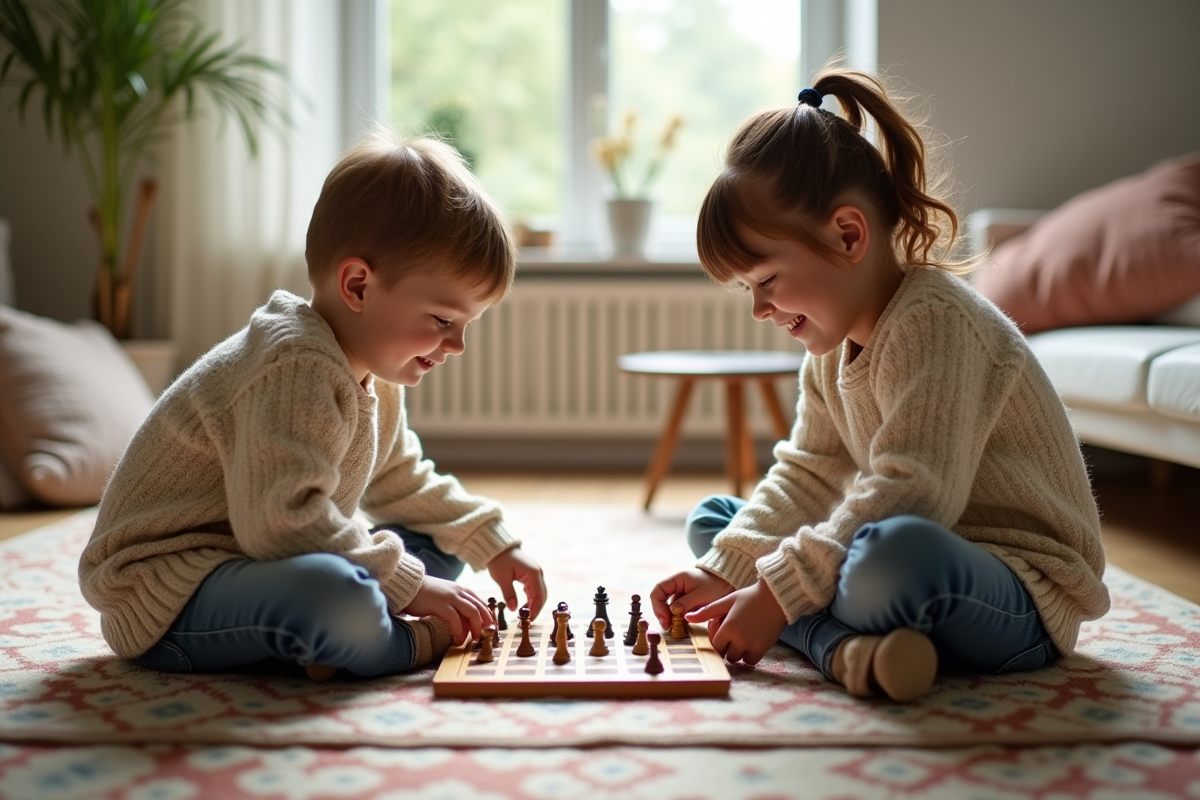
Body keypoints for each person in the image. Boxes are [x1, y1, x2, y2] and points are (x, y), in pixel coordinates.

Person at [649, 68, 1109, 702]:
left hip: (1015, 591)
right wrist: (725, 571)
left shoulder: (935, 319)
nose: (758, 309)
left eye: (767, 280)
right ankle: (847, 649)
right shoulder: (829, 347)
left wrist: (776, 593)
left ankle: (817, 632)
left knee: (886, 558)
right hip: (897, 554)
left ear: (848, 235)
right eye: (747, 289)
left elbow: (915, 491)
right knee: (715, 523)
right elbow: (809, 473)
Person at [79, 132, 547, 680]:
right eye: (443, 320)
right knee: (340, 597)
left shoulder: (372, 371)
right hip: (169, 595)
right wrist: (414, 587)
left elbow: (401, 480)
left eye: (466, 325)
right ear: (358, 285)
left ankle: (326, 643)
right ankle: (403, 641)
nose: (457, 345)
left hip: (257, 561)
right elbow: (282, 522)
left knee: (445, 542)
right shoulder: (294, 365)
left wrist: (492, 542)